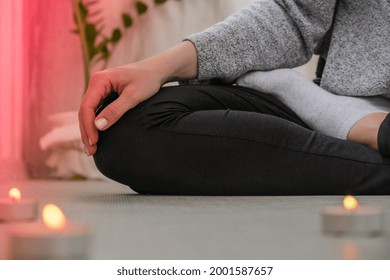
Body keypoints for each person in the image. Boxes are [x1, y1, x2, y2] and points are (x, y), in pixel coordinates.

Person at [78, 0, 390, 195]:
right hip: (348, 101)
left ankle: (367, 131)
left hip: (351, 115)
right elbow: (295, 16)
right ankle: (360, 130)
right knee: (125, 130)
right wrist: (160, 67)